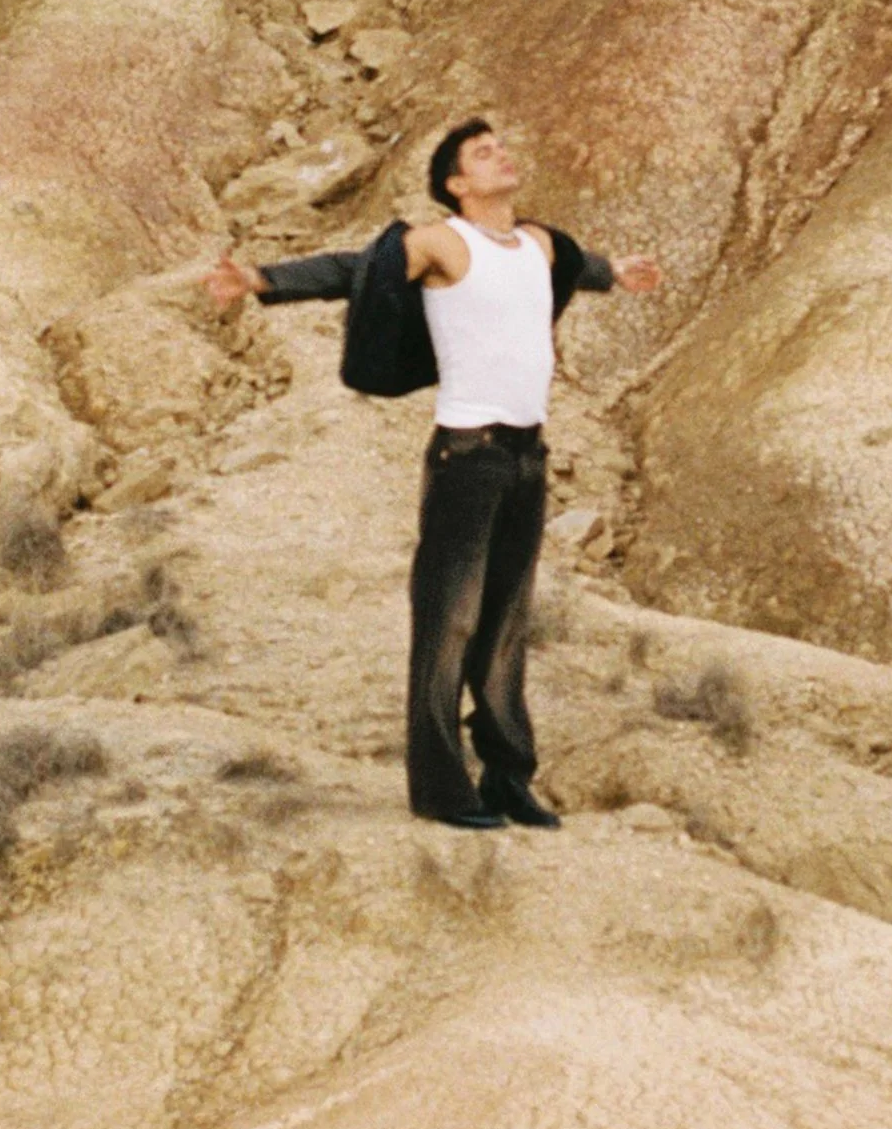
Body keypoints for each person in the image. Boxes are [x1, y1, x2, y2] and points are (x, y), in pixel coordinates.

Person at [202, 120, 661, 829]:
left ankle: (508, 776)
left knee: (507, 625)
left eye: (502, 145)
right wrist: (265, 279)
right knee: (448, 623)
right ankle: (442, 788)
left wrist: (616, 273)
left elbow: (576, 265)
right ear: (455, 183)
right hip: (467, 457)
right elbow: (354, 268)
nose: (503, 154)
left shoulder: (538, 243)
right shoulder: (443, 242)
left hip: (527, 458)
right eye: (483, 153)